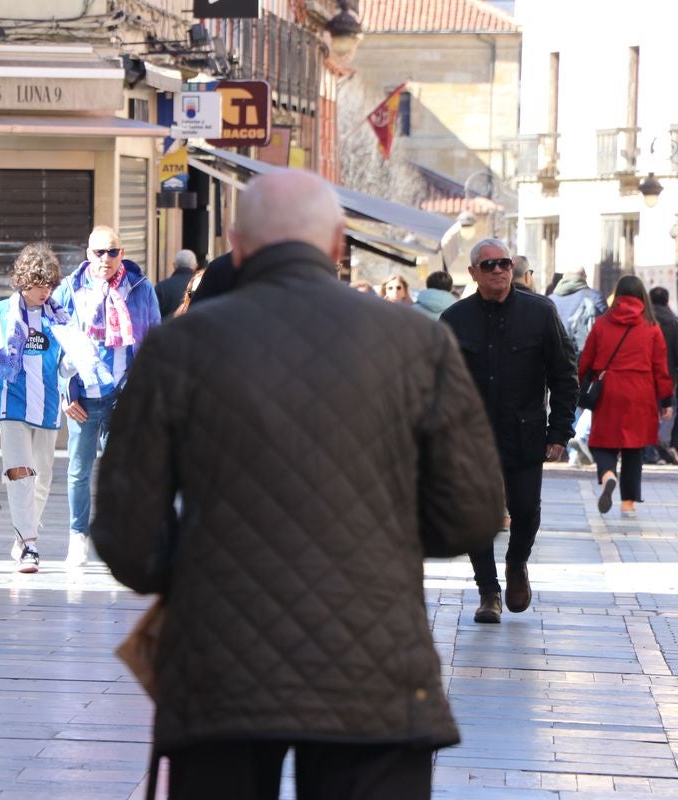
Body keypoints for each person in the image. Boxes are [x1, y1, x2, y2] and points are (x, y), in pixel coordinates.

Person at [91, 169, 504, 800]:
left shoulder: (178, 347)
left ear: (237, 242)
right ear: (338, 243)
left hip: (219, 661)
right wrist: (377, 542)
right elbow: (473, 514)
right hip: (373, 662)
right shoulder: (418, 342)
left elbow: (126, 535)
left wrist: (195, 565)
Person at [440, 238, 578, 624]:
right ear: (473, 274)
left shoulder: (540, 312)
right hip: (471, 436)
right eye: (489, 265)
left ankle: (517, 562)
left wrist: (559, 432)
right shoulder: (454, 320)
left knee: (525, 511)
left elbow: (564, 375)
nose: (499, 270)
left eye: (504, 263)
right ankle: (488, 591)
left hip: (525, 433)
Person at [0, 243, 108, 572]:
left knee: (40, 479)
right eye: (38, 284)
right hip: (11, 405)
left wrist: (76, 361)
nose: (45, 291)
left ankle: (21, 537)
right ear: (22, 281)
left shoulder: (60, 318)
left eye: (50, 285)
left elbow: (65, 367)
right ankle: (29, 545)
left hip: (46, 407)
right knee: (20, 474)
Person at [53, 225, 161, 566]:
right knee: (79, 470)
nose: (106, 259)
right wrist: (64, 389)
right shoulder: (70, 289)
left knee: (123, 470)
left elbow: (156, 338)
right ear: (88, 254)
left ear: (122, 255)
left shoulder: (141, 289)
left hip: (124, 393)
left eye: (112, 252)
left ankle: (121, 536)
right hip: (84, 394)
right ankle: (77, 535)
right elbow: (56, 338)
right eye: (99, 252)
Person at [579, 276, 674, 515]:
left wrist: (584, 384)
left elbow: (586, 360)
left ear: (617, 295)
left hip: (609, 388)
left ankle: (608, 473)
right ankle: (628, 502)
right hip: (640, 391)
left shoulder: (602, 323)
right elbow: (660, 368)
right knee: (634, 446)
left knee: (603, 440)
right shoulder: (651, 327)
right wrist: (665, 400)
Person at [549, 267, 607, 467]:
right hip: (585, 356)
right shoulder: (593, 296)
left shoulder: (551, 299)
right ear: (584, 277)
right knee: (584, 398)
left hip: (556, 355)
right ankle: (577, 442)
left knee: (561, 395)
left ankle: (561, 443)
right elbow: (604, 325)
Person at [648, 286, 678, 464]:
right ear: (667, 301)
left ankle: (648, 452)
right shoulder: (674, 322)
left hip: (645, 374)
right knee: (668, 412)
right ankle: (661, 444)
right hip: (669, 376)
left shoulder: (645, 322)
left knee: (647, 413)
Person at [154, 249, 198, 318]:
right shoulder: (202, 286)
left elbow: (154, 318)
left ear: (174, 265)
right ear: (196, 266)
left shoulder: (161, 287)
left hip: (168, 328)